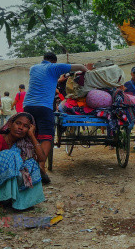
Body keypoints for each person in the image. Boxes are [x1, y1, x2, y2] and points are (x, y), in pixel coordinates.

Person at [23, 52, 90, 184]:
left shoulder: (33, 68)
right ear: (54, 61)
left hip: (28, 106)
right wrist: (87, 70)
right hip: (43, 107)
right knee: (47, 136)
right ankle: (41, 166)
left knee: (32, 135)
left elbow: (48, 79)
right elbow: (80, 67)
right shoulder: (54, 67)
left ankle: (28, 166)